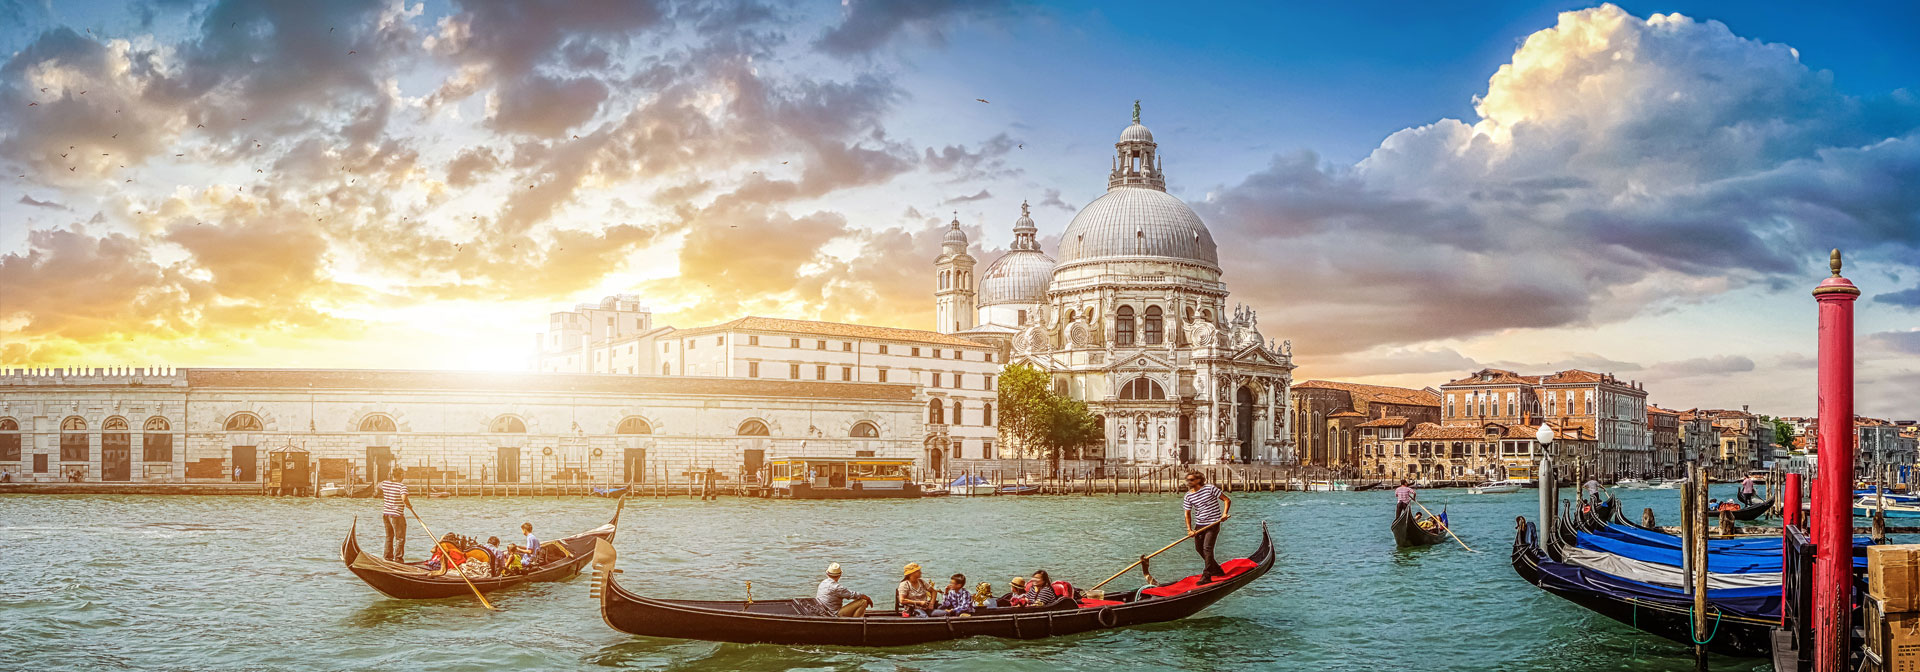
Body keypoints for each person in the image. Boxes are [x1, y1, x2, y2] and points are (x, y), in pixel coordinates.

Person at [1184, 471, 1230, 583]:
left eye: (1191, 480)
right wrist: (1189, 530)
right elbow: (1187, 514)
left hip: (1213, 523)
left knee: (1207, 548)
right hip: (1200, 524)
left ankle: (1207, 575)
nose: (1189, 482)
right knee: (1199, 549)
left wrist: (1224, 514)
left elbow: (1227, 500)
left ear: (1199, 480)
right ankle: (1216, 569)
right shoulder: (1188, 496)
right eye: (1188, 480)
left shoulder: (1210, 489)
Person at [378, 469, 410, 561]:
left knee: (389, 536)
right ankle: (398, 559)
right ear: (400, 476)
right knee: (400, 538)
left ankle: (387, 557)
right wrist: (409, 505)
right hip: (397, 515)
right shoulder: (402, 486)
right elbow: (404, 498)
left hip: (386, 514)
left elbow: (378, 485)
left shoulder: (385, 484)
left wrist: (389, 477)